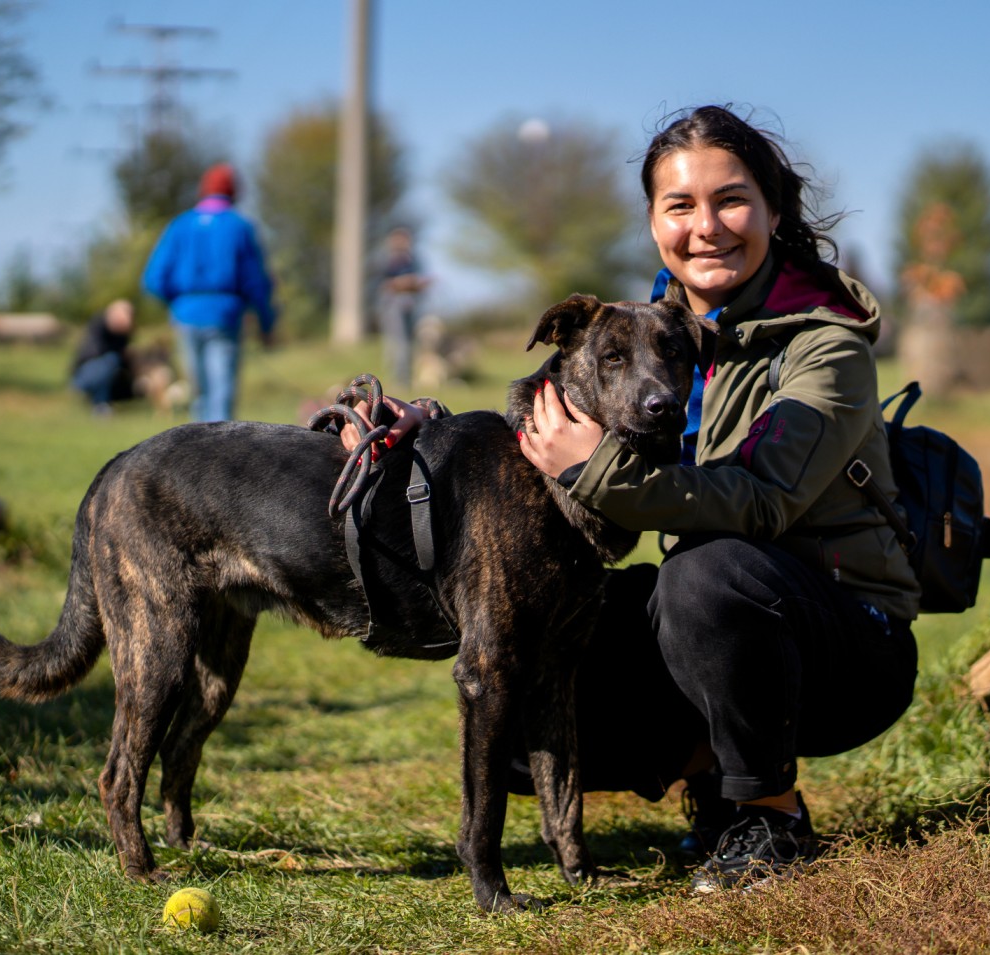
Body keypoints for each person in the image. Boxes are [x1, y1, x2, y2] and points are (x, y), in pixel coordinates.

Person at [342, 105, 920, 893]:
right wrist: (427, 432)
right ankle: (710, 770)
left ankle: (770, 817)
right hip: (723, 623)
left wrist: (598, 470)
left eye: (731, 199)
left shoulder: (824, 344)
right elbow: (551, 431)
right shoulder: (651, 332)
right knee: (527, 658)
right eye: (679, 205)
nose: (706, 226)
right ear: (653, 221)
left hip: (846, 644)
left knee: (706, 574)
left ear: (774, 210)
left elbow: (763, 504)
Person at [143, 163, 277, 422]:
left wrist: (179, 303)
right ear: (234, 192)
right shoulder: (240, 227)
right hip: (224, 315)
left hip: (186, 315)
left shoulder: (180, 225)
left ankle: (199, 455)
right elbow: (257, 282)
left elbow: (154, 278)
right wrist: (266, 322)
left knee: (200, 394)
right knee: (221, 394)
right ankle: (220, 457)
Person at [376, 226, 430, 389]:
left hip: (411, 304)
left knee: (410, 343)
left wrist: (417, 284)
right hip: (393, 305)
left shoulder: (413, 260)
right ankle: (398, 379)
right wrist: (402, 283)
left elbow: (420, 281)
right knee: (397, 343)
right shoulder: (386, 259)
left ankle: (407, 377)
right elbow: (383, 284)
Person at [70, 299, 136, 414]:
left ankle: (106, 402)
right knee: (111, 360)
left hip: (103, 372)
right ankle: (100, 405)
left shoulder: (122, 336)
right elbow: (95, 352)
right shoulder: (98, 326)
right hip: (84, 374)